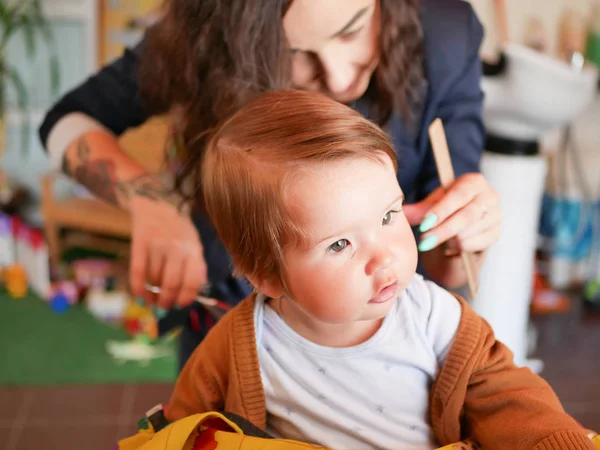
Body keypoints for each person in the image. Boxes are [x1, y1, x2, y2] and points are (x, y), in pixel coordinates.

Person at [38, 0, 501, 367]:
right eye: (294, 54)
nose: (339, 77)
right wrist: (150, 200)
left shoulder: (447, 35)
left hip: (387, 351)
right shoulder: (205, 31)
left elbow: (448, 267)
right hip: (232, 331)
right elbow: (67, 122)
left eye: (353, 28)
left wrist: (464, 235)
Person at [163, 89, 594, 450]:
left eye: (389, 216)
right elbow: (181, 429)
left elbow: (511, 397)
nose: (384, 256)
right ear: (266, 275)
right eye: (339, 244)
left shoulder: (434, 319)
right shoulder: (241, 347)